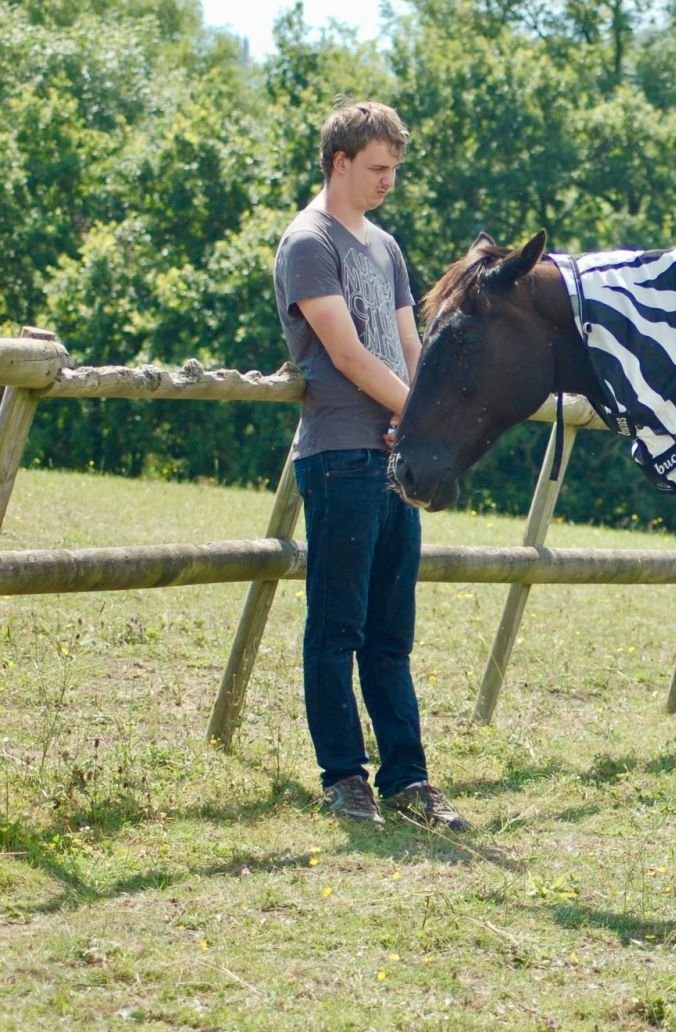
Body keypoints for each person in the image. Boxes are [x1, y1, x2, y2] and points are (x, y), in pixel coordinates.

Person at [273, 100, 468, 831]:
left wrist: (423, 423)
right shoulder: (307, 242)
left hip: (392, 460)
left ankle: (408, 780)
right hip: (341, 455)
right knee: (338, 626)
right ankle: (344, 778)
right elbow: (347, 353)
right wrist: (411, 418)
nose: (389, 180)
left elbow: (408, 346)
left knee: (391, 632)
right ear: (340, 162)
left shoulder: (385, 247)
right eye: (378, 169)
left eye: (395, 169)